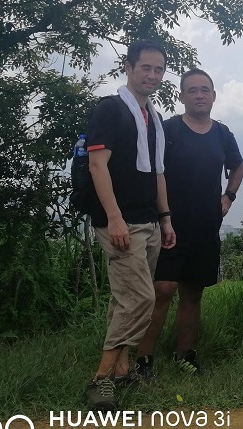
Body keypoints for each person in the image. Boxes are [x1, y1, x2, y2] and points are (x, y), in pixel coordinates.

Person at [84, 40, 177, 411]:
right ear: (128, 67)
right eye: (146, 68)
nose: (152, 75)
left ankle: (122, 370)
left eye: (159, 70)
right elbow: (97, 165)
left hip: (148, 221)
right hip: (120, 222)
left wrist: (165, 218)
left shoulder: (152, 117)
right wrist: (114, 218)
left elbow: (158, 172)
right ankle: (100, 380)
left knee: (125, 299)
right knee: (140, 298)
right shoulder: (111, 110)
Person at [134, 68, 243, 378]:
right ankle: (143, 359)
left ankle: (184, 354)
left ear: (213, 96)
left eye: (204, 89)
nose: (199, 95)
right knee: (162, 290)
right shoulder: (168, 129)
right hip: (170, 224)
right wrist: (161, 214)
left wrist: (229, 196)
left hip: (206, 225)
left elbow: (237, 165)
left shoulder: (222, 133)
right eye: (192, 90)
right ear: (182, 96)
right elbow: (152, 171)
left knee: (193, 293)